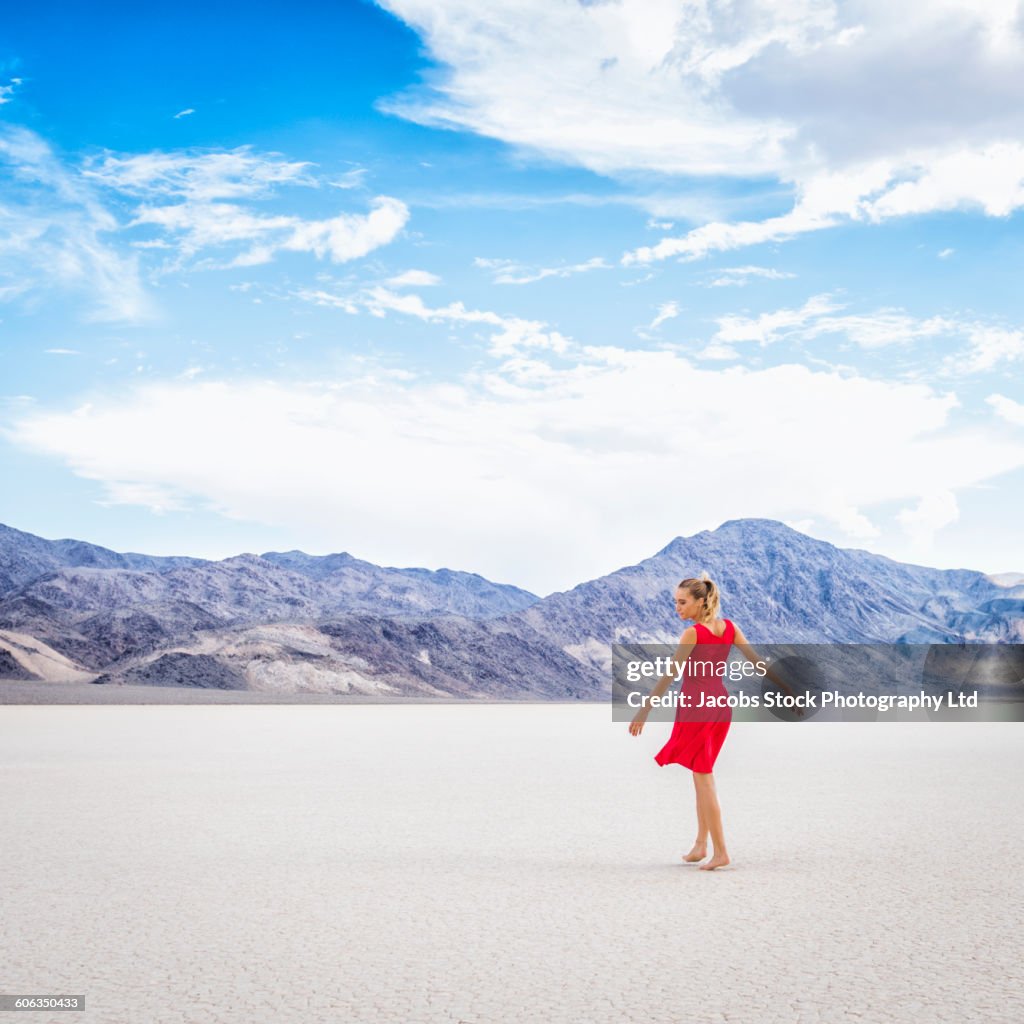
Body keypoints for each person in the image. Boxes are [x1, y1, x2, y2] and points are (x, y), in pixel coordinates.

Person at [628, 572, 801, 871]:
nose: (677, 608)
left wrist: (645, 710)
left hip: (699, 710)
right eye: (675, 602)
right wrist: (786, 688)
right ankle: (700, 845)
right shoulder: (730, 628)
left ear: (700, 601)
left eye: (682, 602)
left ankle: (720, 852)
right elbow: (757, 662)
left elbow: (671, 674)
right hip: (720, 706)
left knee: (704, 778)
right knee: (700, 776)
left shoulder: (693, 633)